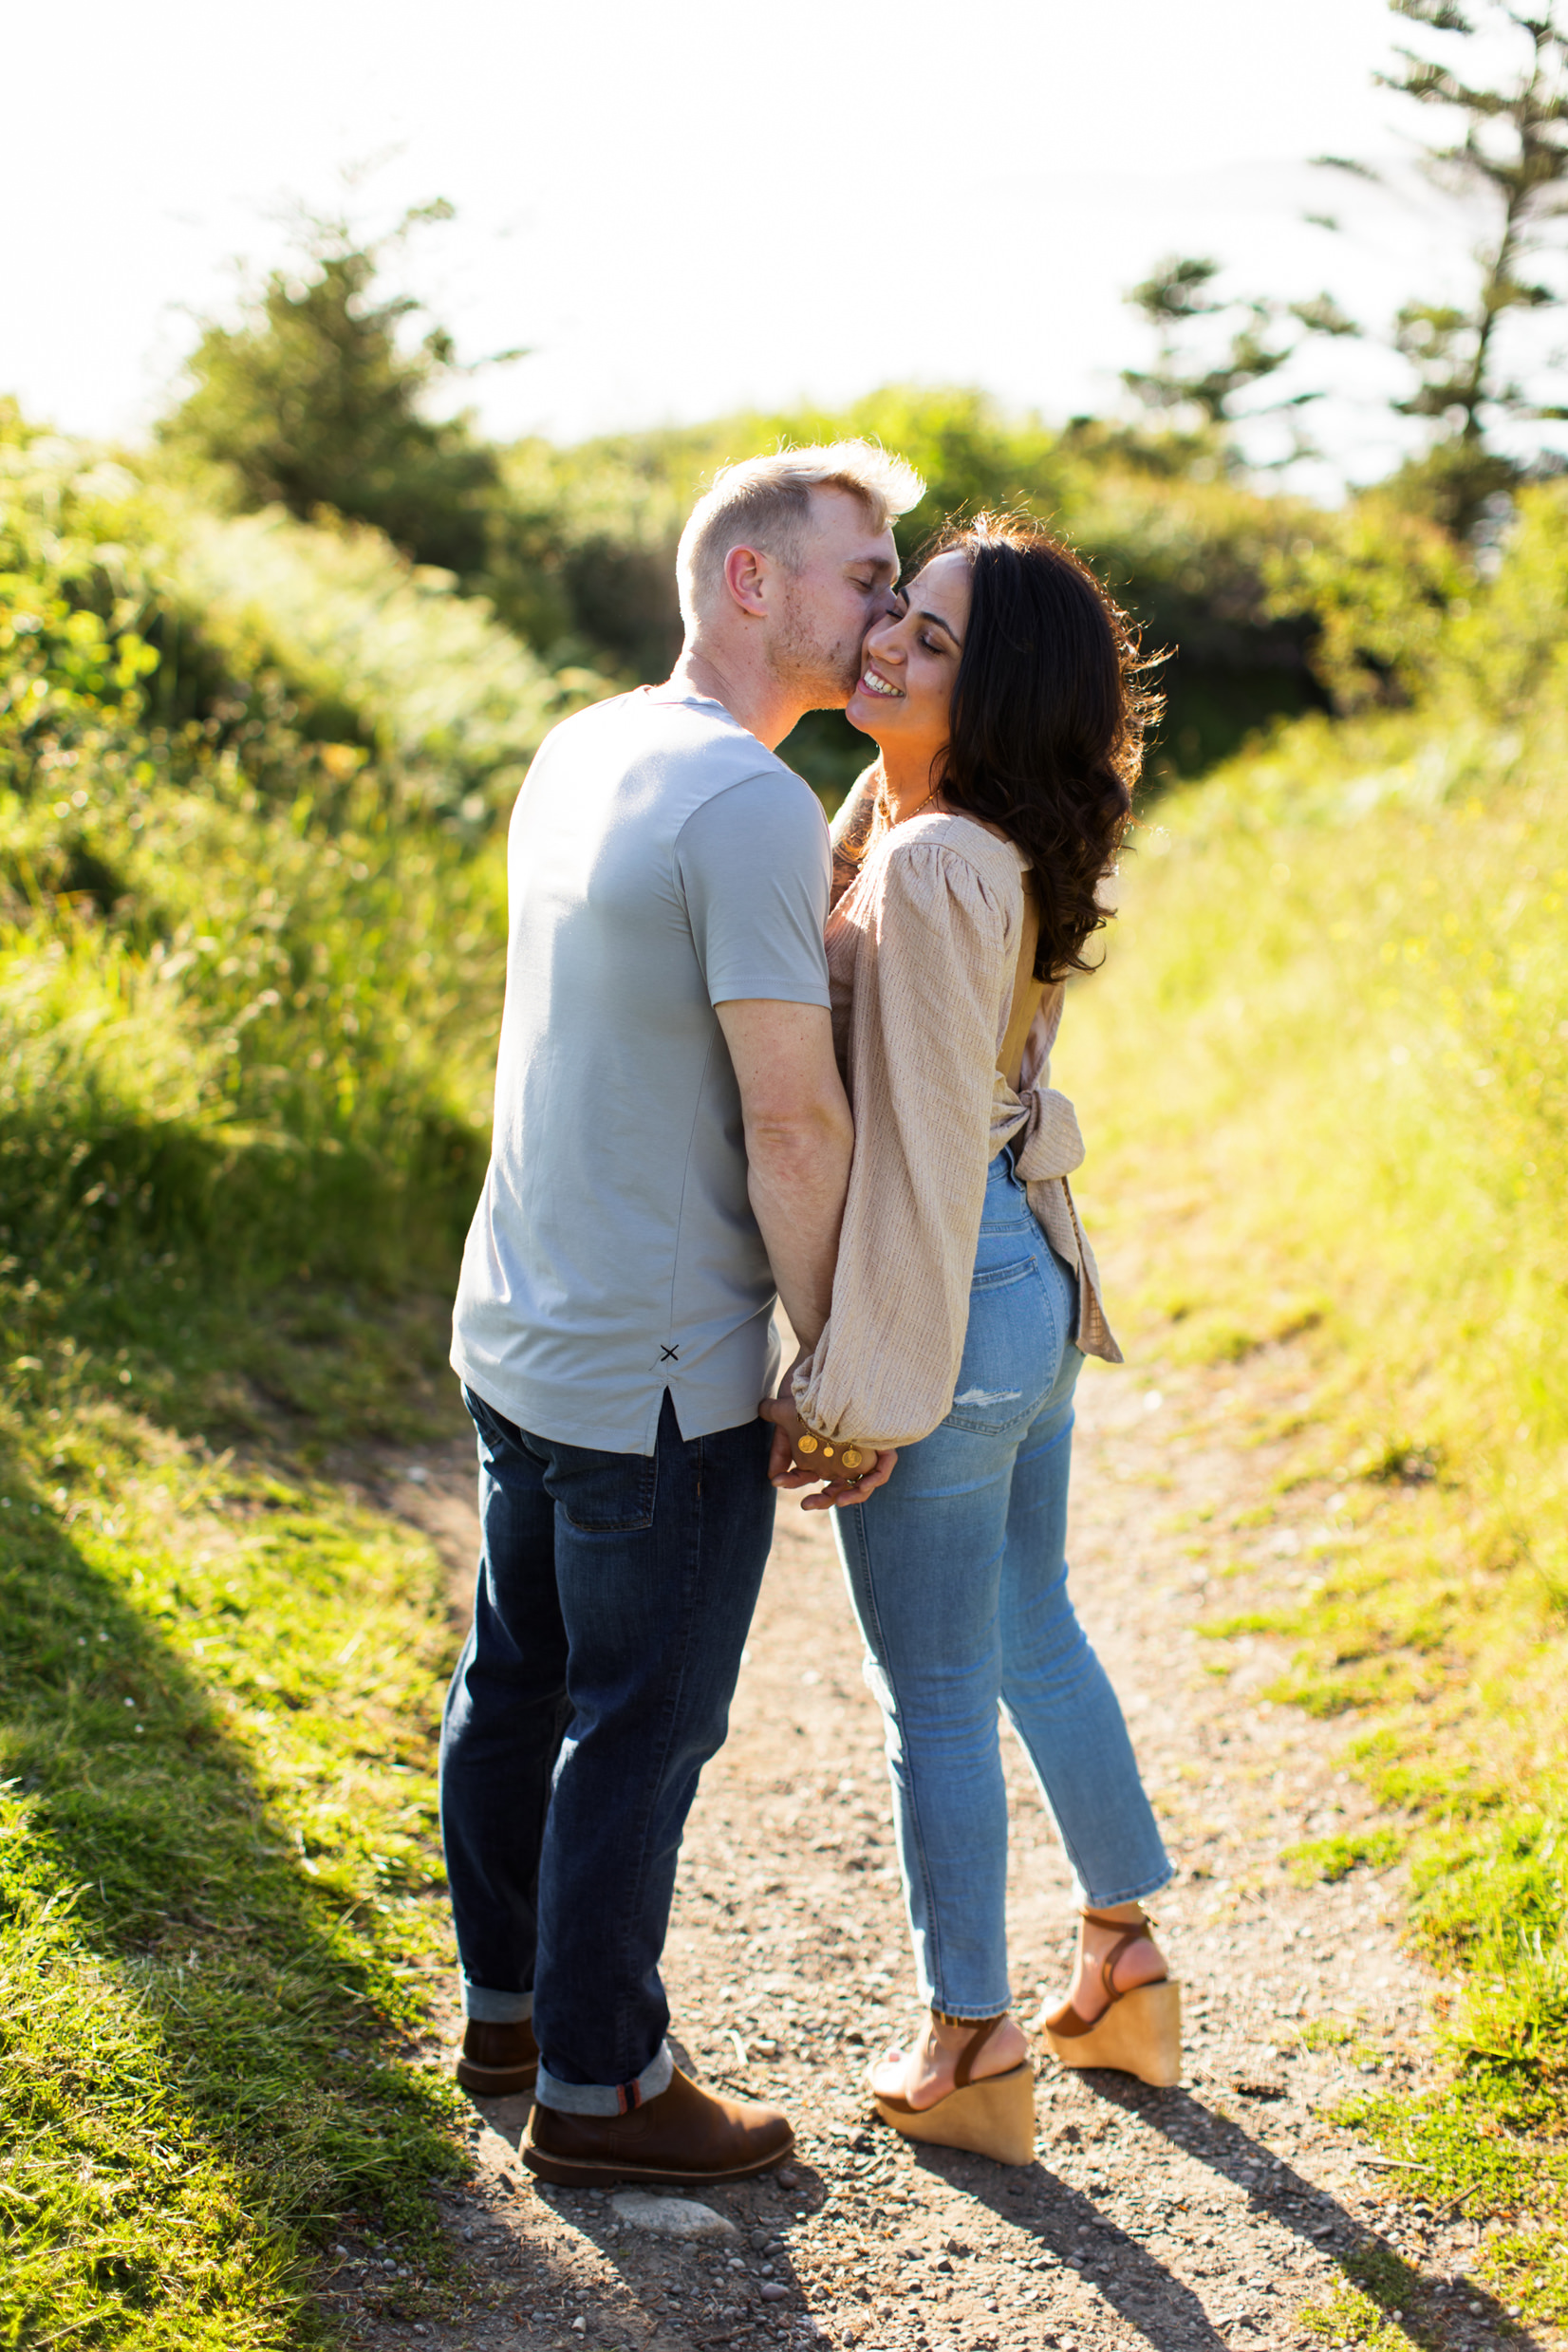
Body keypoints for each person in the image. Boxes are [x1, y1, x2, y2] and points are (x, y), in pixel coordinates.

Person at [440, 442, 917, 2189]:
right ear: (752, 584)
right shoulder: (744, 802)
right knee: (635, 1720)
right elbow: (792, 1117)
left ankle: (508, 2006)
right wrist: (841, 1363)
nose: (885, 603)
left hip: (520, 1318)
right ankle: (601, 2083)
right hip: (654, 1365)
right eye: (864, 571)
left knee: (518, 1679)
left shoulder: (587, 745)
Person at [761, 514, 1181, 2169]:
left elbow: (920, 1149)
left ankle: (971, 2039)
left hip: (956, 1276)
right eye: (892, 615)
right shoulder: (969, 831)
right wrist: (881, 746)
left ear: (988, 690)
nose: (882, 645)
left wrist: (858, 1383)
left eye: (924, 639)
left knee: (932, 1683)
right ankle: (1122, 1961)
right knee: (1028, 1633)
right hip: (1027, 1284)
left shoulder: (934, 864)